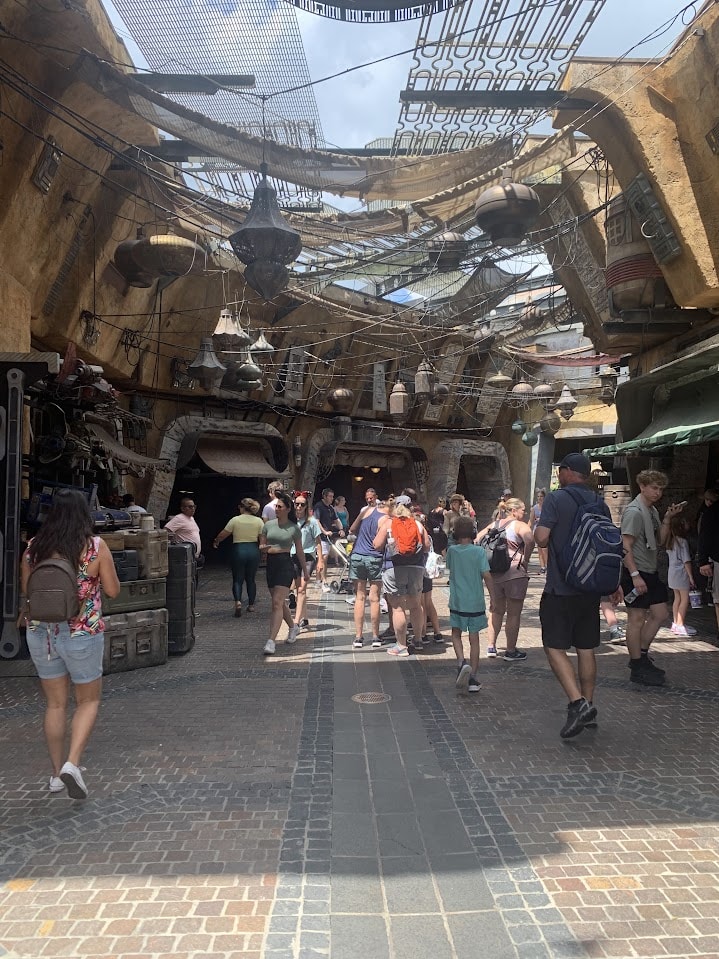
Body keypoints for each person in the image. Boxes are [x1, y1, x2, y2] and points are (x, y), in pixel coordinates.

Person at [20, 489, 121, 798]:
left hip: (40, 633)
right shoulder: (94, 547)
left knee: (55, 704)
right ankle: (72, 764)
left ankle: (54, 774)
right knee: (88, 701)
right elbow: (113, 591)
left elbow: (28, 593)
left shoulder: (33, 549)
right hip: (82, 633)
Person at [534, 453, 621, 739]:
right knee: (586, 648)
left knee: (554, 646)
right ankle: (590, 703)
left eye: (561, 470)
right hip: (590, 587)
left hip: (561, 587)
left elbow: (542, 538)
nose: (559, 474)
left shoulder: (557, 499)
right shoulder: (600, 503)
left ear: (568, 472)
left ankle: (577, 703)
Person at [620, 470, 684, 686]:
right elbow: (625, 546)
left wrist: (667, 518)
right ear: (643, 487)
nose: (658, 492)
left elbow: (659, 540)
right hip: (637, 571)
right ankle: (637, 664)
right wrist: (635, 575)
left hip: (650, 570)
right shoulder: (635, 512)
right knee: (636, 619)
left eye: (660, 489)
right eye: (654, 488)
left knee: (660, 612)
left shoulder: (652, 510)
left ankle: (641, 655)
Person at [475, 497, 534, 661]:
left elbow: (477, 539)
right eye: (523, 509)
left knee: (495, 610)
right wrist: (526, 559)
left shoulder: (493, 525)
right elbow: (529, 539)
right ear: (514, 511)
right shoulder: (519, 525)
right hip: (514, 573)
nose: (525, 512)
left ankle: (491, 646)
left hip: (494, 574)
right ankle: (510, 650)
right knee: (514, 614)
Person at [373, 498, 431, 657]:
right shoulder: (418, 524)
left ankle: (401, 645)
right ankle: (418, 640)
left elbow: (377, 545)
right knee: (415, 604)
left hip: (394, 568)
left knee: (398, 607)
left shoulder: (389, 524)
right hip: (416, 567)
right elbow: (427, 546)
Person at [446, 516, 493, 693]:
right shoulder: (479, 552)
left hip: (457, 600)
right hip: (475, 602)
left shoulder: (452, 551)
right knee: (474, 639)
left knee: (456, 633)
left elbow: (450, 570)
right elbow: (487, 575)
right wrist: (493, 597)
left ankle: (460, 661)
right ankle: (473, 677)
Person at [259, 491, 308, 656]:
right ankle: (293, 627)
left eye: (279, 507)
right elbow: (261, 545)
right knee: (278, 603)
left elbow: (299, 551)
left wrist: (305, 571)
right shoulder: (267, 525)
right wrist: (263, 548)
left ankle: (271, 641)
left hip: (286, 564)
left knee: (276, 603)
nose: (276, 509)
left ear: (288, 509)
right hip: (271, 564)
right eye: (276, 506)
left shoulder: (294, 528)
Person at [347, 488, 385, 649]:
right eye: (367, 497)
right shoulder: (384, 516)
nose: (369, 500)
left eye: (371, 497)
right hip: (374, 557)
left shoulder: (364, 512)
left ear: (376, 497)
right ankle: (374, 636)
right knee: (374, 598)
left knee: (360, 597)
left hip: (358, 555)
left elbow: (352, 529)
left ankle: (359, 637)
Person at [212, 498, 263, 617]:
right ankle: (251, 605)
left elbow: (224, 533)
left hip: (238, 550)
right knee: (251, 579)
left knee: (237, 579)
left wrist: (216, 541)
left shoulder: (235, 520)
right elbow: (262, 537)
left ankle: (238, 602)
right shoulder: (258, 521)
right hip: (253, 550)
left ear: (241, 507)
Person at [290, 495, 323, 633]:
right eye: (297, 504)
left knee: (302, 589)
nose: (299, 507)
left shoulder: (312, 522)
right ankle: (305, 618)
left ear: (306, 507)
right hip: (293, 555)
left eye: (302, 504)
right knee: (298, 589)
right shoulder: (290, 521)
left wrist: (320, 560)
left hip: (308, 556)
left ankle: (296, 623)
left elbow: (318, 542)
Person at [666, 514, 697, 637]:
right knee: (685, 599)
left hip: (672, 573)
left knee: (677, 598)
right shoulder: (682, 542)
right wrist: (691, 576)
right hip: (681, 573)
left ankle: (675, 623)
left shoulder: (670, 541)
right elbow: (686, 561)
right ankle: (680, 624)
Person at [698, 490, 719, 641]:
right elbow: (705, 536)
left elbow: (705, 536)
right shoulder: (712, 512)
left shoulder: (711, 512)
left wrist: (703, 561)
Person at [312, 488, 342, 592]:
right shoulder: (318, 507)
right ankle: (323, 581)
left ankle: (317, 581)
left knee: (323, 559)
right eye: (330, 496)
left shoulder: (330, 508)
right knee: (323, 559)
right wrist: (324, 531)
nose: (332, 498)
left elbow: (336, 519)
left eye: (332, 496)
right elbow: (316, 521)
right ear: (324, 496)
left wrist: (341, 529)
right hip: (320, 537)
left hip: (328, 537)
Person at [529, 489, 547, 573]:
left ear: (544, 497)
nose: (539, 498)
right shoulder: (534, 508)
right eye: (538, 496)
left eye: (541, 496)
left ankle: (547, 565)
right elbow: (531, 520)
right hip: (537, 529)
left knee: (545, 549)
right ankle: (542, 566)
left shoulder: (548, 507)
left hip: (546, 529)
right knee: (540, 549)